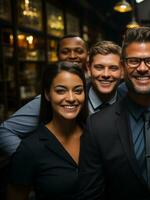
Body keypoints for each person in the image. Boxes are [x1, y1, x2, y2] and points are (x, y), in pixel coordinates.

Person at [78, 27, 150, 199]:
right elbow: (90, 194)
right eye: (133, 61)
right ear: (122, 67)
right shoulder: (98, 125)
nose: (143, 68)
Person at [6, 62, 88, 200]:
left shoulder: (94, 135)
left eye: (78, 90)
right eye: (61, 90)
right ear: (47, 94)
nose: (71, 98)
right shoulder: (30, 148)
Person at [0, 35, 88, 162]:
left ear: (87, 55)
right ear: (57, 56)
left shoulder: (97, 85)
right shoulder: (52, 98)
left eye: (79, 51)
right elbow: (5, 131)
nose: (72, 56)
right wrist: (32, 161)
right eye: (65, 51)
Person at [86, 40, 123, 113]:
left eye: (113, 68)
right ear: (89, 69)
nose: (106, 74)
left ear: (122, 71)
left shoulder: (131, 103)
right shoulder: (76, 101)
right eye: (99, 67)